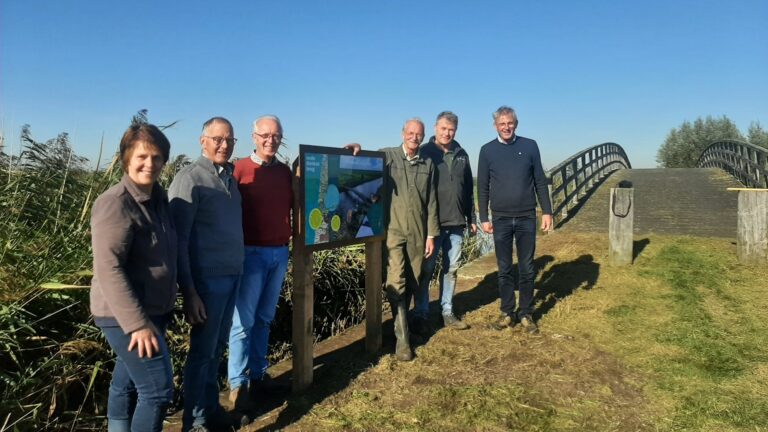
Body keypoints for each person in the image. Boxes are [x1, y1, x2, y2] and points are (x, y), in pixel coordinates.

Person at [90, 123, 176, 431]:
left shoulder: (159, 199)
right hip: (125, 316)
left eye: (156, 157)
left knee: (125, 383)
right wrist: (137, 325)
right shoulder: (115, 203)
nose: (149, 164)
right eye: (142, 156)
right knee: (157, 389)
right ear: (126, 159)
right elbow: (108, 267)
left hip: (153, 310)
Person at [169, 117, 244, 431]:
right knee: (201, 353)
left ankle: (210, 411)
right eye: (217, 139)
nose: (223, 145)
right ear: (202, 140)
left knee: (216, 349)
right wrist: (189, 292)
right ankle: (194, 422)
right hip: (206, 282)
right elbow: (178, 240)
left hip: (232, 275)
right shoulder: (189, 179)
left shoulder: (230, 178)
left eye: (229, 140)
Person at [349, 119, 439, 361]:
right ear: (403, 133)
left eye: (418, 134)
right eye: (410, 133)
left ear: (423, 136)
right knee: (396, 280)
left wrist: (431, 234)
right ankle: (403, 340)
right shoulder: (387, 156)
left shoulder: (428, 163)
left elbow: (431, 200)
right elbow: (366, 165)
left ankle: (402, 325)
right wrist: (356, 150)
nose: (414, 137)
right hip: (393, 231)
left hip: (419, 233)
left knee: (414, 279)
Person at [227, 115, 292, 409]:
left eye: (276, 135)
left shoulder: (285, 172)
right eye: (265, 135)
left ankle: (258, 374)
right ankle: (237, 387)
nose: (271, 140)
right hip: (250, 254)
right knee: (243, 324)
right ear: (254, 137)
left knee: (264, 319)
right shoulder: (238, 170)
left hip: (279, 252)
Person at [477, 106, 553, 334]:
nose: (506, 127)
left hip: (526, 217)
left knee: (528, 268)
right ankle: (507, 311)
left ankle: (526, 313)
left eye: (510, 123)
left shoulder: (529, 146)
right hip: (499, 218)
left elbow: (540, 180)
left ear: (516, 124)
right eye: (502, 124)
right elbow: (482, 186)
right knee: (504, 268)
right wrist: (483, 216)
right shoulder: (487, 151)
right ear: (495, 126)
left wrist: (547, 211)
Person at [414, 111, 476, 333]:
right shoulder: (424, 152)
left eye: (451, 129)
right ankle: (421, 313)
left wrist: (472, 218)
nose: (447, 133)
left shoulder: (462, 154)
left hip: (457, 223)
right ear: (435, 128)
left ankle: (447, 312)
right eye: (443, 128)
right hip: (432, 226)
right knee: (426, 270)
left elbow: (468, 188)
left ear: (455, 131)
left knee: (451, 270)